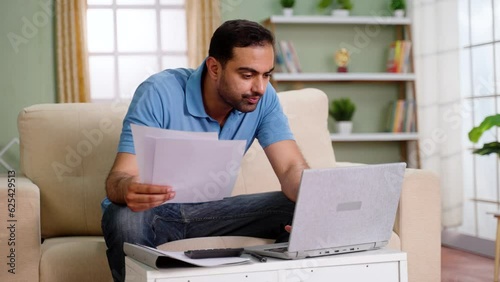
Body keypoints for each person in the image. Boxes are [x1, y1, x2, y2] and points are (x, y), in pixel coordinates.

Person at [101, 19, 309, 282]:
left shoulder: (264, 99)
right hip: (157, 211)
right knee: (124, 216)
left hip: (213, 212)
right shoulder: (159, 92)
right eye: (247, 75)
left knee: (302, 206)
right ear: (214, 68)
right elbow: (119, 178)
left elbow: (291, 168)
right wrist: (128, 188)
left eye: (266, 74)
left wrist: (315, 200)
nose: (260, 87)